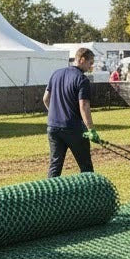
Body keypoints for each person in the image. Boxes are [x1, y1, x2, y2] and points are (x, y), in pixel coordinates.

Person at [43, 47, 98, 177]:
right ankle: (90, 192)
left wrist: (55, 114)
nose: (91, 66)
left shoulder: (56, 74)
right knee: (85, 165)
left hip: (53, 127)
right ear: (82, 60)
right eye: (90, 63)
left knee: (55, 165)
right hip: (73, 128)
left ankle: (50, 194)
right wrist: (91, 129)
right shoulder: (82, 79)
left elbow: (45, 98)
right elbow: (84, 105)